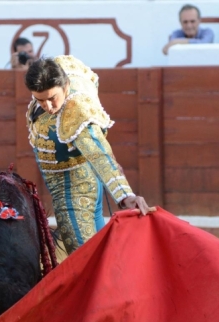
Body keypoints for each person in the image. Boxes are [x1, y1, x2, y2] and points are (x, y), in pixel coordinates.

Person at [24, 56, 153, 254]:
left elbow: (98, 153)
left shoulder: (76, 110)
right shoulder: (64, 69)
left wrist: (125, 195)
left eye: (52, 98)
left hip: (73, 193)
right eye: (40, 100)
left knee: (84, 261)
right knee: (101, 255)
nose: (48, 107)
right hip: (89, 180)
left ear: (65, 85)